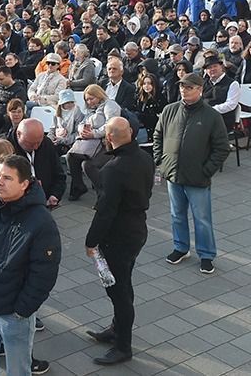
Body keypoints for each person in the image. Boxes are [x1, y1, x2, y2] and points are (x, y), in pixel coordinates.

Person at [0, 154, 60, 376]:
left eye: (7, 178)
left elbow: (44, 272)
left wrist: (23, 309)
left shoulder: (41, 220)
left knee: (18, 371)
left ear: (25, 184)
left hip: (13, 313)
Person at [84, 117, 154, 365]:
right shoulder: (145, 158)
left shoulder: (114, 169)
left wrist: (91, 241)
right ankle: (116, 329)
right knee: (124, 283)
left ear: (110, 138)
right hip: (137, 230)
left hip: (119, 236)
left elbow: (106, 211)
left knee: (118, 292)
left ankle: (123, 345)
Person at [153, 72, 229, 275]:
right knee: (176, 215)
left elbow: (222, 148)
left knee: (202, 218)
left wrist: (207, 170)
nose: (183, 90)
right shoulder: (170, 110)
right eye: (182, 87)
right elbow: (158, 134)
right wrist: (160, 160)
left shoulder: (211, 116)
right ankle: (181, 248)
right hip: (173, 174)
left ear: (200, 90)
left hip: (197, 177)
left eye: (188, 87)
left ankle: (206, 255)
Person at [10, 119, 66, 207]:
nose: (36, 147)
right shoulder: (6, 148)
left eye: (38, 142)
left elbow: (59, 175)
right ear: (19, 134)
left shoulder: (46, 143)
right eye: (31, 144)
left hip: (44, 202)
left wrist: (55, 194)